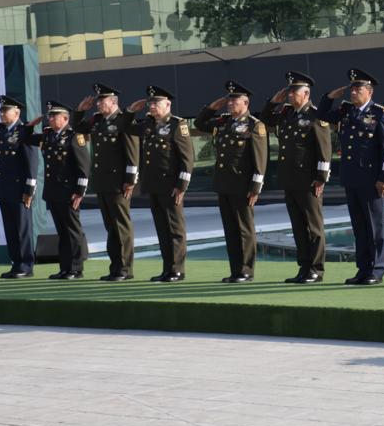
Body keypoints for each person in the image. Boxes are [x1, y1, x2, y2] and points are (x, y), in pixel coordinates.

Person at [318, 69, 384, 285]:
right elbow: (322, 114)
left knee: (374, 228)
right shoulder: (346, 111)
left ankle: (376, 271)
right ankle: (363, 269)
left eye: (357, 89)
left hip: (372, 179)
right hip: (351, 178)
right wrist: (332, 95)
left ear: (369, 92)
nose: (353, 92)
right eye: (351, 88)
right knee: (359, 227)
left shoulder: (379, 113)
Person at [261, 71, 332, 283]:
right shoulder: (286, 114)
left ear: (306, 93)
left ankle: (316, 269)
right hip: (290, 179)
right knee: (298, 227)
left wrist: (321, 177)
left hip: (309, 180)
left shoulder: (316, 115)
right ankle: (304, 267)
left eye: (294, 91)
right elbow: (265, 119)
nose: (290, 95)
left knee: (313, 227)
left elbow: (324, 150)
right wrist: (274, 100)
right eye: (289, 91)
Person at [195, 81, 267, 283]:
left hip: (243, 185)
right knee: (230, 229)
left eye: (234, 100)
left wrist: (255, 187)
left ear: (245, 102)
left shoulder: (254, 125)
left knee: (244, 229)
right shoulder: (223, 122)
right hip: (224, 184)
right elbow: (200, 124)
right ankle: (236, 270)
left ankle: (246, 271)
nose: (230, 103)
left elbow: (259, 159)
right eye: (228, 100)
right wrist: (212, 107)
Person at [124, 85, 195, 282]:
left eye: (156, 103)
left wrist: (182, 186)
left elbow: (187, 158)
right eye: (150, 103)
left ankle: (177, 270)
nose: (152, 106)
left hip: (171, 185)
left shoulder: (176, 124)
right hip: (154, 185)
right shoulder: (148, 124)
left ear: (168, 104)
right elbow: (125, 127)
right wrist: (130, 111)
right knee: (162, 229)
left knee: (175, 229)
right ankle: (167, 269)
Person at [73, 83, 138, 281]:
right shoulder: (98, 120)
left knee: (121, 227)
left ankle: (125, 269)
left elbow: (132, 154)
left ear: (113, 102)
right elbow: (78, 128)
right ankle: (115, 268)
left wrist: (130, 181)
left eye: (102, 100)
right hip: (102, 182)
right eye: (97, 100)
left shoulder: (123, 121)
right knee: (110, 227)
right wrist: (79, 111)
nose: (98, 104)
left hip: (119, 183)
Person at [25, 100, 90, 280]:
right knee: (62, 231)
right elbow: (26, 137)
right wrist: (31, 125)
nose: (51, 120)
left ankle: (76, 269)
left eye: (54, 117)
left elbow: (83, 166)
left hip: (69, 191)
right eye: (50, 117)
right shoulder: (48, 136)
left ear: (65, 118)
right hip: (53, 191)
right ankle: (65, 268)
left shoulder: (74, 136)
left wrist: (79, 191)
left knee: (72, 230)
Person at [0, 95, 38, 278]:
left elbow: (31, 163)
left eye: (6, 110)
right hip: (4, 189)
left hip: (20, 189)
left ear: (17, 112)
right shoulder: (0, 130)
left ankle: (26, 266)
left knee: (22, 229)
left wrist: (29, 190)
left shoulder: (24, 131)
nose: (2, 114)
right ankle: (16, 263)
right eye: (1, 111)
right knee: (10, 229)